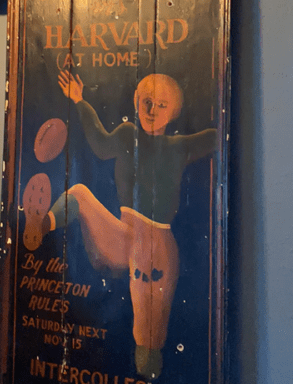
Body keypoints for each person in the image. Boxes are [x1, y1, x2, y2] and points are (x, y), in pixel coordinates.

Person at [29, 70, 216, 379]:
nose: (152, 111)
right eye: (147, 102)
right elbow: (101, 145)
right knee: (78, 194)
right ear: (136, 102)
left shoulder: (178, 147)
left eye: (162, 105)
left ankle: (148, 367)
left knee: (147, 339)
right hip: (123, 234)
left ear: (174, 112)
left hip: (155, 250)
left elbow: (214, 137)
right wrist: (78, 99)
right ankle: (44, 223)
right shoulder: (128, 135)